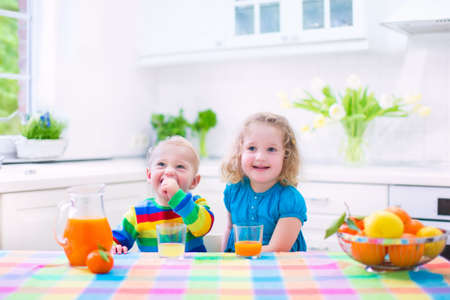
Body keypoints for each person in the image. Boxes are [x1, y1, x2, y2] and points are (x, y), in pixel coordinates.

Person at [220, 112, 307, 252]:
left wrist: (239, 257)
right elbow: (230, 230)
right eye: (252, 148)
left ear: (286, 156)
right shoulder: (233, 190)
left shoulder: (290, 199)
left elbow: (278, 249)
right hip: (238, 266)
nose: (260, 157)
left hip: (278, 268)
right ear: (239, 152)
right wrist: (222, 260)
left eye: (271, 149)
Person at [112, 136, 214, 254]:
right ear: (149, 175)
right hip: (153, 271)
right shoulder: (138, 213)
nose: (169, 171)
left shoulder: (197, 204)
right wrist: (115, 247)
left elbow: (202, 228)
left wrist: (177, 197)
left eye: (180, 166)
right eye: (161, 164)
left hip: (191, 271)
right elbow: (113, 241)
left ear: (194, 181)